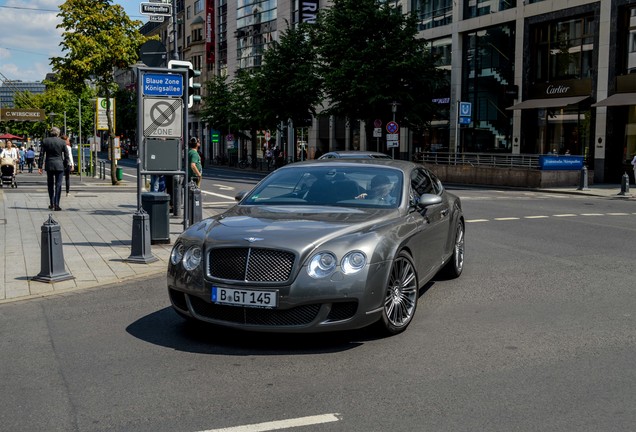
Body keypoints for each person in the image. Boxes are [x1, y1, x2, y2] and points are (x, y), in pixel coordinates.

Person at [38, 127, 68, 211]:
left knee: (50, 185)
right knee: (58, 185)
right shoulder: (62, 142)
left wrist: (40, 166)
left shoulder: (45, 141)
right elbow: (66, 155)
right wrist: (65, 165)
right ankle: (57, 204)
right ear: (58, 133)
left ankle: (51, 203)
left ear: (51, 133)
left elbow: (41, 154)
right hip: (59, 165)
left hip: (49, 165)